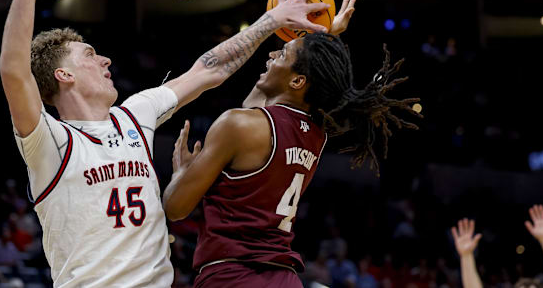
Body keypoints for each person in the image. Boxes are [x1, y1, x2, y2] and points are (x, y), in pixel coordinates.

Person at [0, 0, 350, 288]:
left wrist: (272, 20)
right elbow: (15, 71)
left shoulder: (134, 115)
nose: (105, 59)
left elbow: (209, 70)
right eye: (90, 55)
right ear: (64, 75)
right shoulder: (50, 143)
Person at [163, 30, 420, 287]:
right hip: (285, 278)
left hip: (232, 276)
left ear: (298, 81)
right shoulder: (317, 137)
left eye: (282, 54)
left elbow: (175, 208)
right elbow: (258, 101)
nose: (272, 55)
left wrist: (181, 173)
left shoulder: (238, 125)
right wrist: (323, 38)